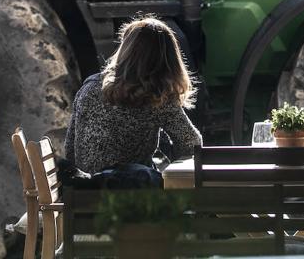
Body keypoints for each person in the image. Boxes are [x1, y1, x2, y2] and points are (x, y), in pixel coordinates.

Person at [64, 16, 202, 175]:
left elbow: (70, 148)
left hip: (85, 192)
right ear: (167, 61)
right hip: (129, 192)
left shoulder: (89, 88)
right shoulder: (156, 96)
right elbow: (191, 143)